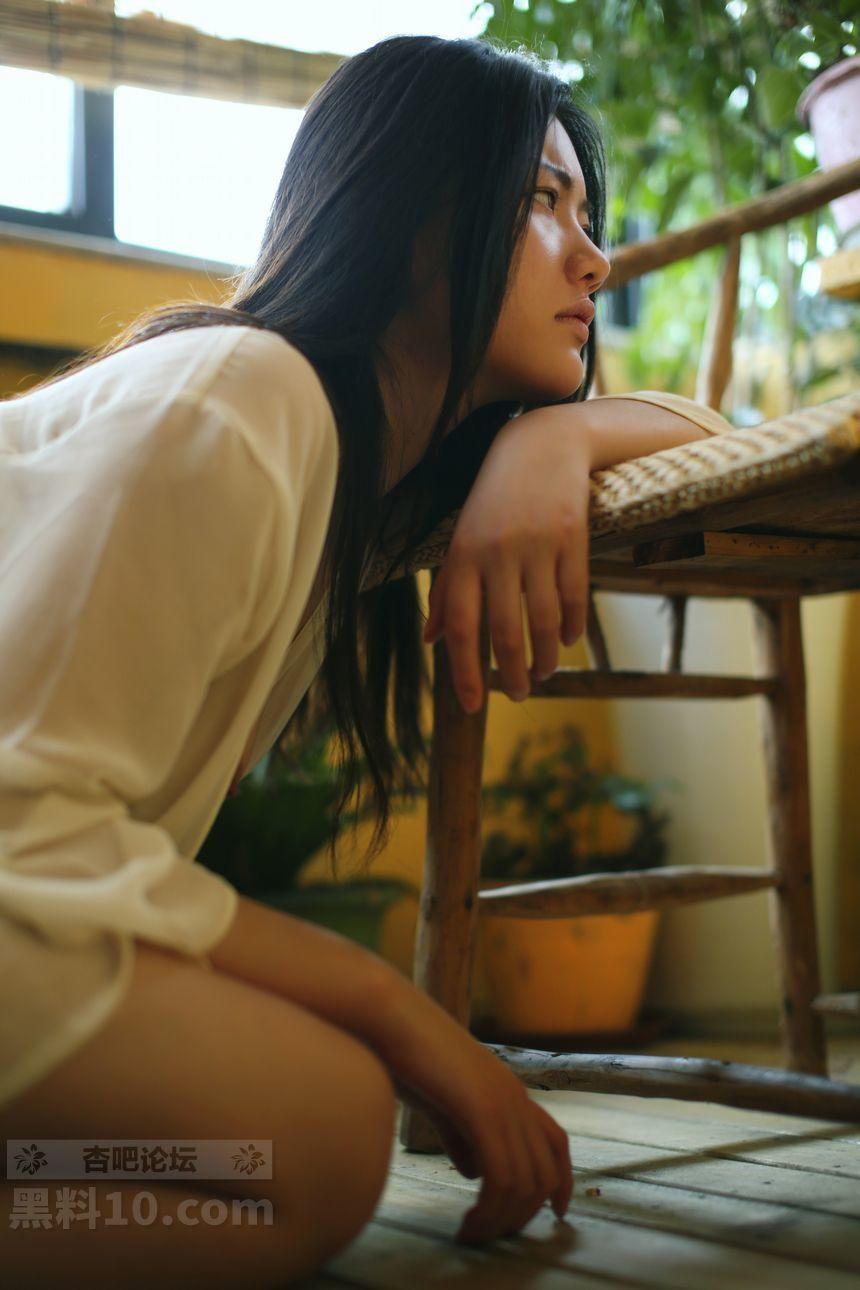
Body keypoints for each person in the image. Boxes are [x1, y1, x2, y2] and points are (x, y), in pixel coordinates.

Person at [0, 34, 732, 1286]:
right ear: (406, 212)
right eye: (539, 201)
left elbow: (720, 438)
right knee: (320, 1134)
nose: (593, 257)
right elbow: (25, 827)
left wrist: (551, 444)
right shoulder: (240, 396)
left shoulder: (361, 484)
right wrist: (398, 1008)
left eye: (588, 216)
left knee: (307, 1129)